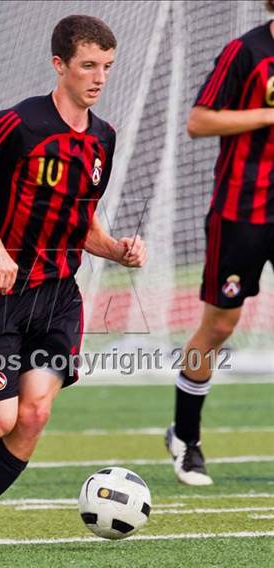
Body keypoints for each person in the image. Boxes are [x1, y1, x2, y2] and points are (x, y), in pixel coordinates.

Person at [0, 14, 147, 548]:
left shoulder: (103, 139)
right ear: (60, 65)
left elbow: (84, 224)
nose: (99, 78)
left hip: (58, 297)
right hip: (0, 293)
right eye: (88, 66)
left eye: (108, 67)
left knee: (36, 413)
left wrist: (117, 249)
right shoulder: (17, 124)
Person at [165, 3, 274, 486]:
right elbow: (199, 121)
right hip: (241, 212)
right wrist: (267, 116)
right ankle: (185, 437)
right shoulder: (245, 51)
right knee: (219, 327)